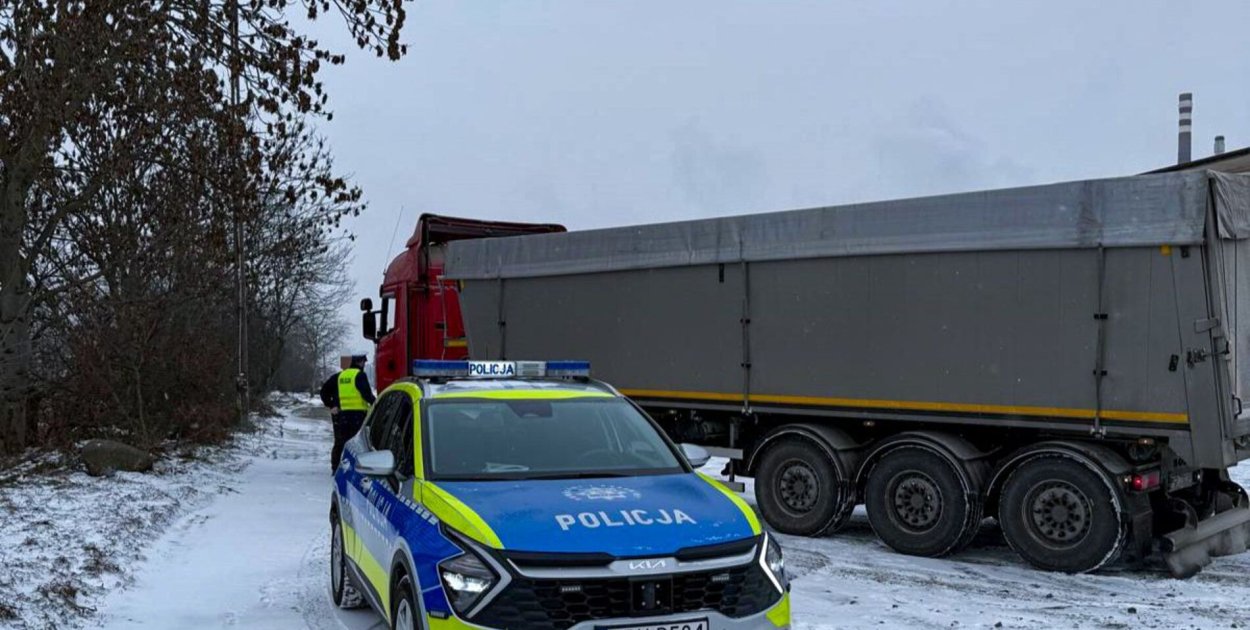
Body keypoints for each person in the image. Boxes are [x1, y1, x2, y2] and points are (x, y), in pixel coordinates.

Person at [320, 354, 376, 472]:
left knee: (339, 442)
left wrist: (331, 405)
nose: (364, 365)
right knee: (357, 444)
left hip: (340, 416)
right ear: (360, 363)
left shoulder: (339, 376)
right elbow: (366, 395)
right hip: (357, 416)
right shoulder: (360, 376)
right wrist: (376, 403)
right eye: (364, 363)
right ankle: (354, 469)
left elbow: (324, 392)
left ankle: (335, 469)